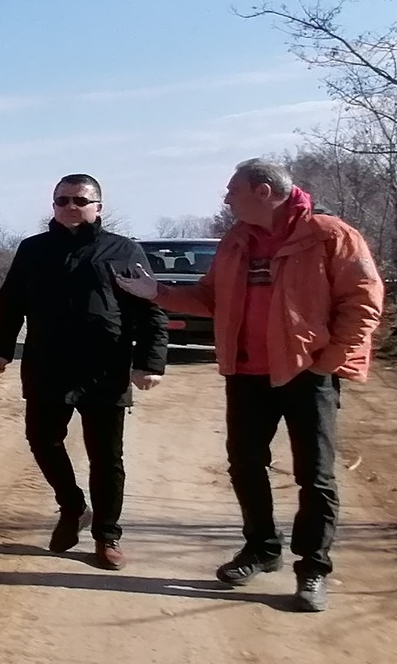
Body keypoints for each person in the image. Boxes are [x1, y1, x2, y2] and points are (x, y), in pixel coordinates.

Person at [115, 159, 383, 611]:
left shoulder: (330, 235)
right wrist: (156, 292)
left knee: (314, 477)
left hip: (307, 374)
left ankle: (313, 569)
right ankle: (262, 549)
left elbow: (363, 303)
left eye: (232, 191)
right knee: (244, 466)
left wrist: (329, 363)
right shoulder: (235, 242)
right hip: (245, 373)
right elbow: (208, 299)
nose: (225, 199)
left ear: (263, 191)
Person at [0, 174, 168, 570]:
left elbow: (151, 310)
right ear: (53, 206)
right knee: (42, 440)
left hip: (104, 367)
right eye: (62, 200)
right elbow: (11, 303)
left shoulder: (124, 250)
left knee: (106, 457)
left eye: (80, 200)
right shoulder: (34, 250)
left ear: (98, 207)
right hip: (48, 363)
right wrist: (0, 349)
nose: (70, 206)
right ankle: (72, 506)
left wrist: (150, 362)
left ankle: (107, 535)